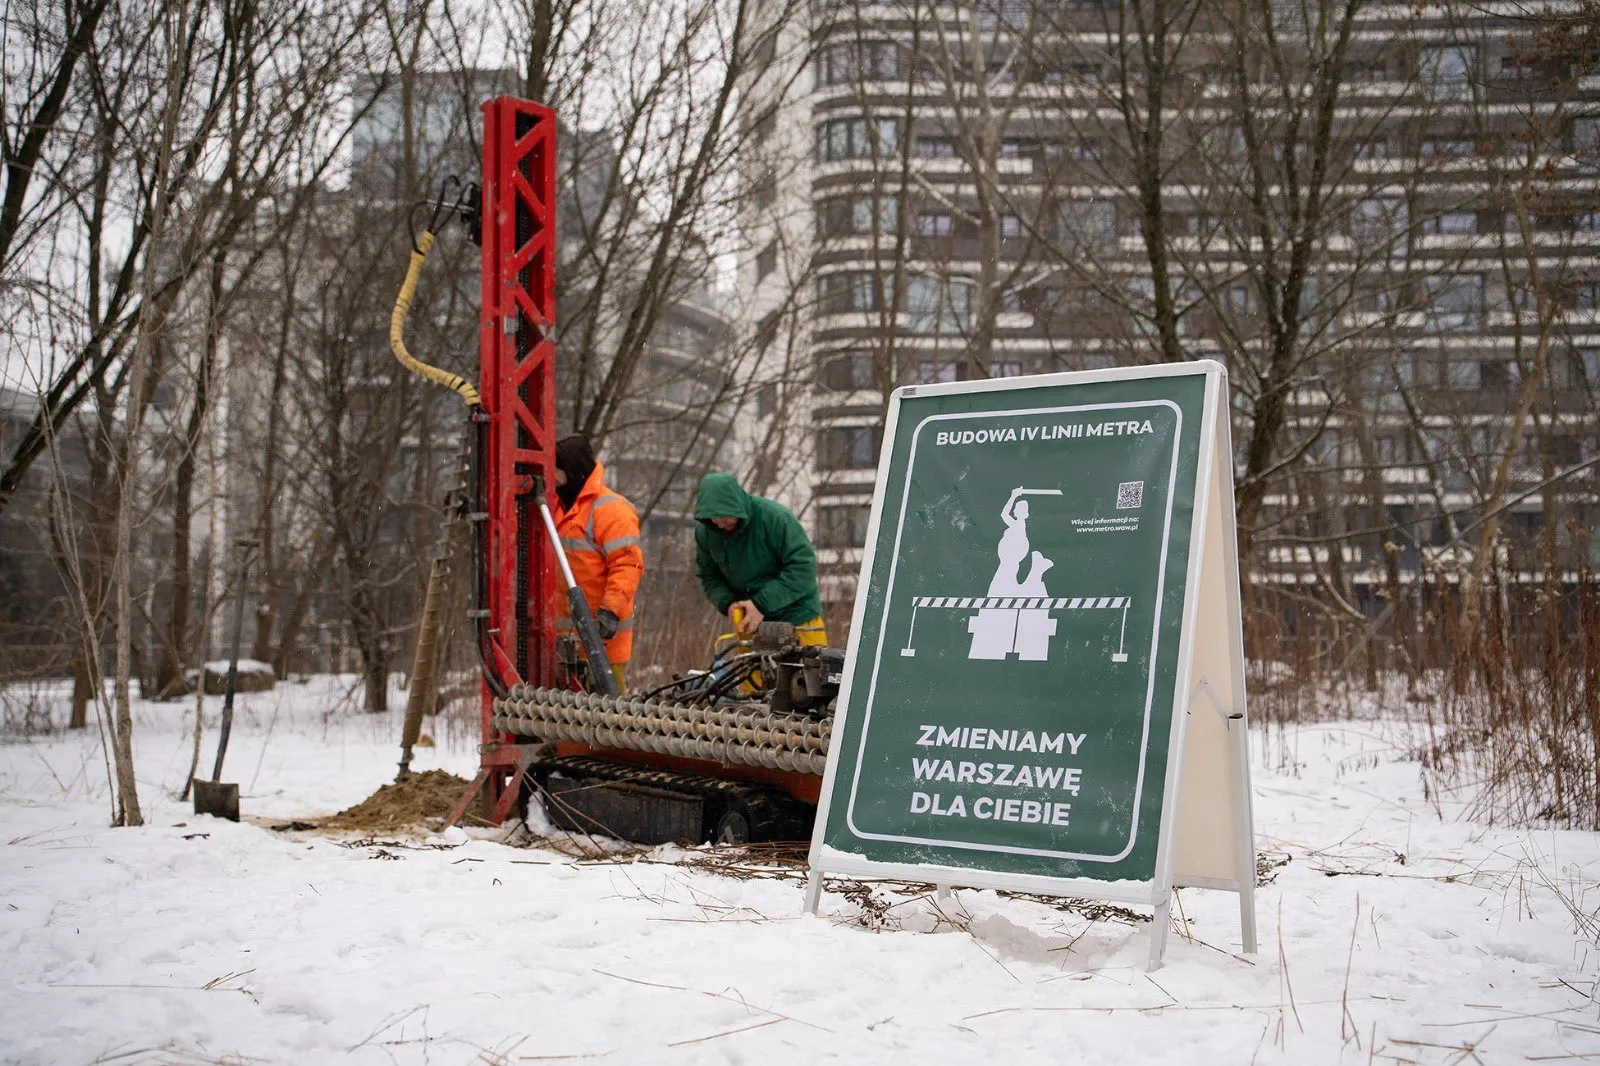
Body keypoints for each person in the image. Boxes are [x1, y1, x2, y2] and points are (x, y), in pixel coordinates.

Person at [693, 472, 826, 647]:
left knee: (805, 674)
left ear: (736, 506)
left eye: (725, 517)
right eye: (714, 518)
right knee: (751, 675)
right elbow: (709, 576)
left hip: (798, 619)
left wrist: (760, 605)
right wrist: (728, 604)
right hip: (750, 624)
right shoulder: (706, 533)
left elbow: (803, 569)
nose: (720, 524)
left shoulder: (775, 519)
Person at [553, 433, 643, 690]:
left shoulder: (612, 510)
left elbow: (627, 565)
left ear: (572, 470)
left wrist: (610, 611)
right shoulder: (554, 506)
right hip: (562, 645)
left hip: (602, 641)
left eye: (557, 470)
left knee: (607, 719)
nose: (553, 478)